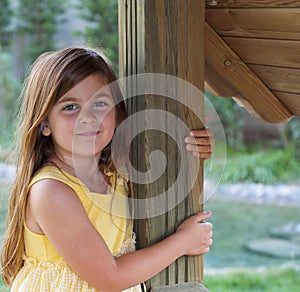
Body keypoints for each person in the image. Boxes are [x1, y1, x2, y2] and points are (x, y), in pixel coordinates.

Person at [1, 47, 213, 292]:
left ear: (117, 113)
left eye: (99, 103)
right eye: (70, 107)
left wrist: (195, 150)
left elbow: (167, 180)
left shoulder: (115, 172)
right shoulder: (51, 191)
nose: (88, 117)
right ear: (45, 123)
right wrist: (183, 242)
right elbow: (109, 278)